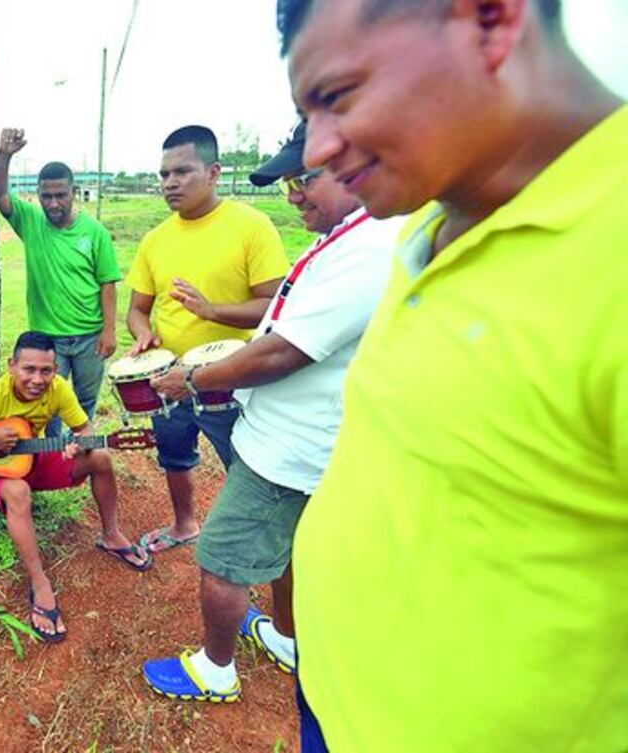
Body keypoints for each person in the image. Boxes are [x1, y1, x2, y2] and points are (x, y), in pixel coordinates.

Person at [280, 1, 628, 750]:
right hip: (335, 701)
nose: (315, 149)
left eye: (336, 96)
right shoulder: (433, 218)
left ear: (492, 21)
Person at [139, 121, 403, 703]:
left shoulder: (372, 247)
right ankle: (286, 636)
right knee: (288, 546)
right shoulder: (351, 234)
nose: (294, 195)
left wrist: (194, 378)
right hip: (292, 435)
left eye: (303, 180)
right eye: (286, 185)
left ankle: (215, 669)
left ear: (356, 165)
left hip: (289, 448)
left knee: (222, 557)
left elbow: (285, 350)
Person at [125, 125, 289, 555]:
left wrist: (212, 310)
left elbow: (275, 304)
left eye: (182, 171)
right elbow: (137, 308)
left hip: (233, 379)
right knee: (174, 454)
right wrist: (144, 336)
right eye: (163, 174)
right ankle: (184, 524)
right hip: (168, 378)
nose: (170, 183)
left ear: (214, 172)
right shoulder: (154, 240)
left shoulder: (251, 226)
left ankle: (258, 545)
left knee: (246, 464)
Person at [0, 331, 151, 643]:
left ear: (55, 370)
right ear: (12, 366)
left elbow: (83, 427)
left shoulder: (58, 389)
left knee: (100, 456)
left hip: (32, 460)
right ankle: (39, 581)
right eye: (28, 369)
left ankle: (111, 535)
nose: (37, 379)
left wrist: (80, 443)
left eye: (46, 370)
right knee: (18, 492)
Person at [0, 128, 120, 435]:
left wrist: (109, 331)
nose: (52, 203)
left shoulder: (94, 232)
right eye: (46, 195)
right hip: (48, 340)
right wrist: (5, 154)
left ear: (73, 193)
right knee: (47, 403)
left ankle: (80, 449)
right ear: (38, 194)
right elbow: (0, 195)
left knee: (85, 399)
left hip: (90, 336)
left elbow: (107, 284)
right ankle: (53, 455)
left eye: (60, 195)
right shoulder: (31, 221)